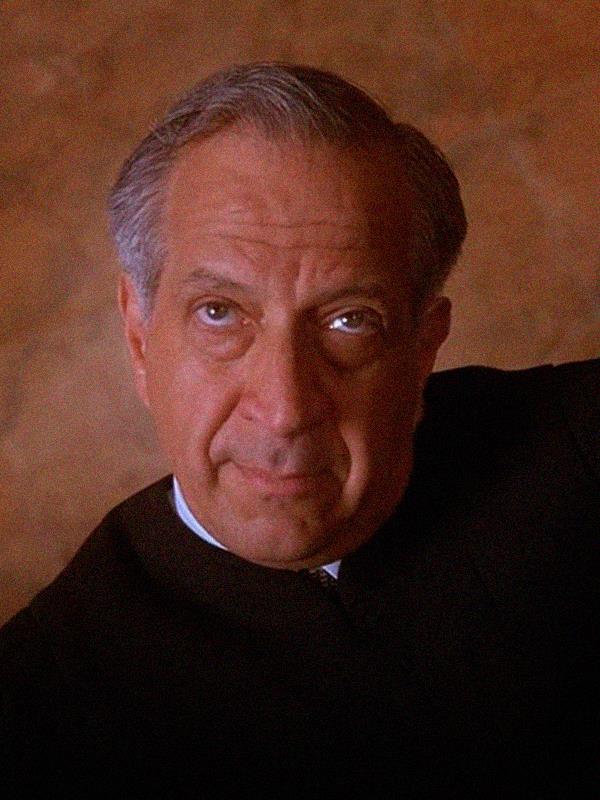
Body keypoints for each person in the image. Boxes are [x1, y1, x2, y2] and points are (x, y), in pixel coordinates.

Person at [1, 63, 597, 798]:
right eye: (220, 313)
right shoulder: (36, 711)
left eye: (350, 321)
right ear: (139, 339)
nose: (285, 408)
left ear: (424, 348)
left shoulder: (578, 451)